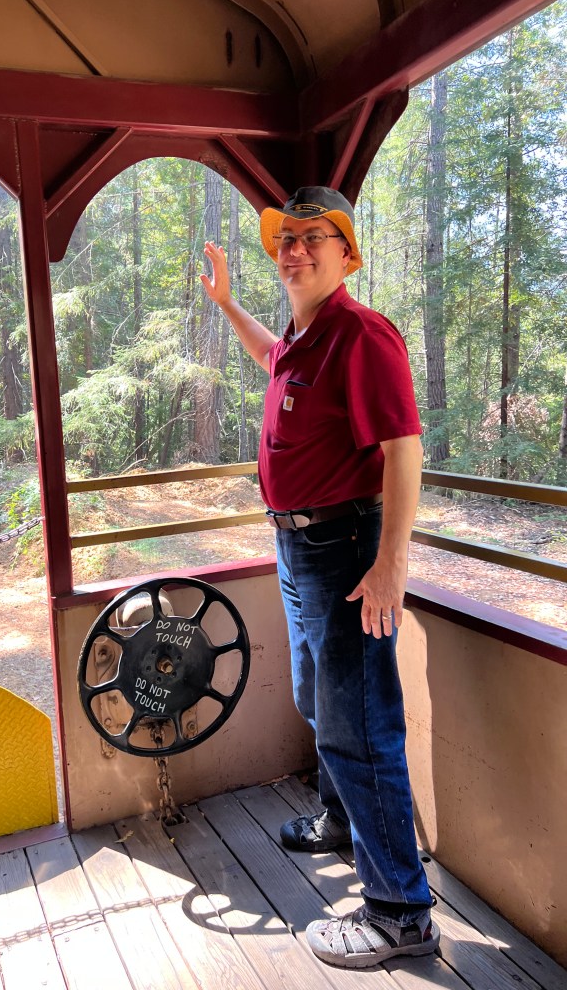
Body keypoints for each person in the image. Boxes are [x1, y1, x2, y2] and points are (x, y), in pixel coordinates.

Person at [200, 186, 439, 969]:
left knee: (362, 726)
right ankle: (341, 821)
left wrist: (389, 565)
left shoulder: (362, 335)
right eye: (285, 240)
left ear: (347, 253)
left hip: (346, 550)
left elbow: (404, 450)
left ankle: (400, 911)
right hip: (299, 551)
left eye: (313, 238)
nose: (294, 250)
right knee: (316, 700)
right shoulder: (305, 340)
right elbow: (267, 353)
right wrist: (231, 305)